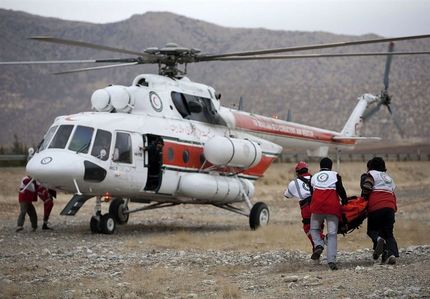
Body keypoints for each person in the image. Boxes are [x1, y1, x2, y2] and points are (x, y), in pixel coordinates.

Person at [310, 157, 348, 270]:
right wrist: (345, 200)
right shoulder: (335, 175)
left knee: (314, 229)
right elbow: (340, 189)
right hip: (332, 207)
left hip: (317, 207)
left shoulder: (314, 176)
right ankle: (331, 261)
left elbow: (312, 191)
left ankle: (319, 245)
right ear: (331, 166)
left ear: (320, 166)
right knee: (332, 234)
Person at [361, 157, 399, 264]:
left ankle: (379, 240)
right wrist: (393, 209)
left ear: (371, 166)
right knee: (389, 233)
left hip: (376, 206)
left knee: (372, 231)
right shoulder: (388, 178)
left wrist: (363, 200)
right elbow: (393, 194)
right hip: (390, 207)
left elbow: (367, 187)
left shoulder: (372, 174)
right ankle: (391, 255)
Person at [284, 161, 325, 251]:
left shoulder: (294, 183)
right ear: (307, 169)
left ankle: (321, 241)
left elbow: (287, 195)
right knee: (318, 227)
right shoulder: (316, 178)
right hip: (319, 205)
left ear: (297, 172)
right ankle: (317, 248)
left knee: (308, 227)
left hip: (306, 207)